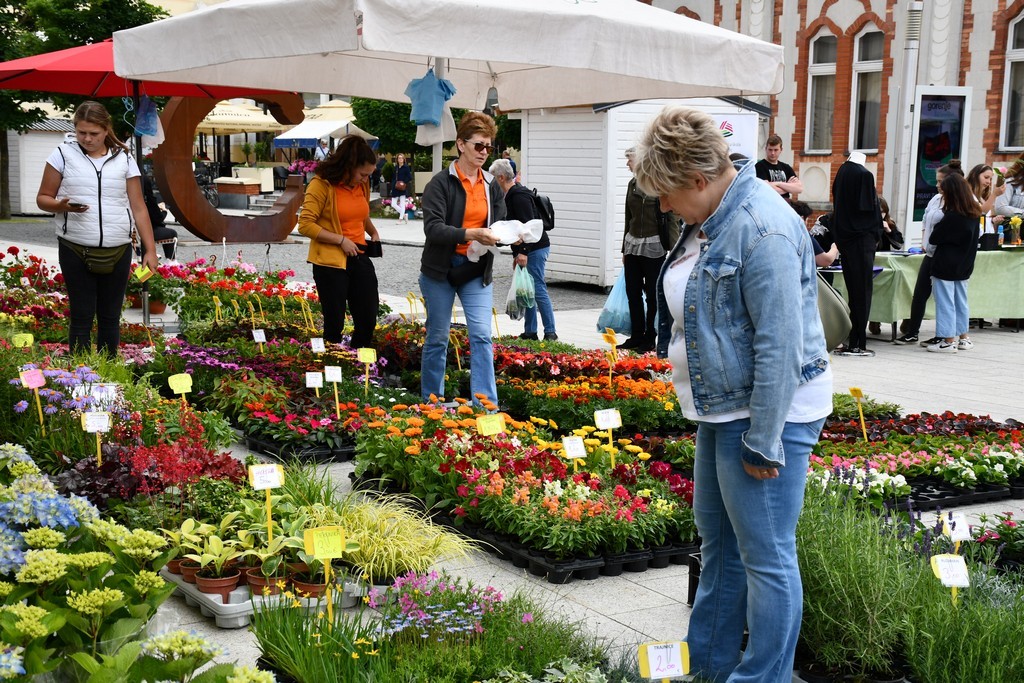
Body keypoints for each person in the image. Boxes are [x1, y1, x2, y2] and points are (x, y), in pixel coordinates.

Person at [637, 106, 831, 683]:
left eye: (667, 193)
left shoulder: (763, 226)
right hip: (724, 406)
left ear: (698, 178)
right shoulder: (713, 212)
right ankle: (709, 668)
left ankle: (763, 677)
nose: (664, 206)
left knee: (766, 556)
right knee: (719, 545)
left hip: (768, 413)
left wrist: (764, 440)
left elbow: (780, 345)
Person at [36, 101, 159, 356]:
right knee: (81, 316)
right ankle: (80, 372)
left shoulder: (124, 158)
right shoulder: (62, 154)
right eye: (81, 132)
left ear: (106, 129)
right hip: (75, 247)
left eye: (94, 133)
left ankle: (108, 369)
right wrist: (60, 205)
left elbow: (139, 207)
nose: (87, 139)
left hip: (118, 248)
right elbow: (43, 198)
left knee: (110, 317)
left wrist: (150, 250)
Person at [419, 112, 503, 405]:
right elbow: (433, 228)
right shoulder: (440, 183)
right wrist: (470, 233)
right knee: (438, 337)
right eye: (478, 145)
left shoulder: (491, 184)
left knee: (481, 335)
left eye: (488, 147)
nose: (484, 152)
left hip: (475, 269)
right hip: (439, 271)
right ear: (460, 144)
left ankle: (486, 406)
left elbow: (499, 223)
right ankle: (432, 404)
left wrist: (510, 234)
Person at [296, 135, 381, 348]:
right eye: (363, 174)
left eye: (369, 175)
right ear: (349, 166)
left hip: (359, 255)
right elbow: (305, 224)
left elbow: (360, 214)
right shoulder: (321, 184)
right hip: (329, 262)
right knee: (334, 322)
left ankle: (359, 361)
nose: (365, 179)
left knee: (368, 316)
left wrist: (372, 231)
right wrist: (341, 240)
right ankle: (332, 362)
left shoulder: (361, 185)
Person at [895, 161, 964, 345]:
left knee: (943, 297)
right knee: (920, 293)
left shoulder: (957, 203)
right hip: (930, 253)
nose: (937, 185)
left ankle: (944, 335)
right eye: (937, 181)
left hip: (944, 255)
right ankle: (912, 332)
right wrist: (924, 240)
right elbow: (926, 219)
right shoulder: (935, 199)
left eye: (941, 181)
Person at [488, 158, 557, 341]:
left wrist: (523, 251)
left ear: (501, 177)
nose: (492, 181)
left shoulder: (518, 196)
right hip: (529, 249)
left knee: (537, 288)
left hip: (535, 247)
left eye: (493, 177)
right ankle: (530, 331)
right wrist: (517, 253)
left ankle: (550, 332)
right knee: (527, 289)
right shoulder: (512, 194)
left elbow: (530, 226)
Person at [621, 146, 673, 353]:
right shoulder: (632, 184)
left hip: (654, 245)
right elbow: (628, 217)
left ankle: (650, 337)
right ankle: (636, 335)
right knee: (632, 291)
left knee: (652, 294)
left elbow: (671, 218)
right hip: (632, 245)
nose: (627, 163)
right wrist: (624, 249)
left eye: (630, 159)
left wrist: (673, 248)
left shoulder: (659, 184)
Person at [831, 151, 882, 357]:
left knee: (854, 291)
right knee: (862, 292)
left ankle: (853, 339)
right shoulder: (864, 174)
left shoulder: (842, 172)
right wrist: (876, 232)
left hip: (846, 240)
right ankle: (858, 342)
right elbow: (868, 211)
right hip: (861, 241)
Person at [928, 173, 982, 353]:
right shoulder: (974, 213)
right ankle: (964, 338)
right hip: (965, 264)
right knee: (961, 302)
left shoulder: (952, 216)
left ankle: (948, 340)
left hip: (945, 265)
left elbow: (935, 237)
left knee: (945, 303)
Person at [754, 134, 803, 199]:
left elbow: (799, 188)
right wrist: (788, 186)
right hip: (769, 202)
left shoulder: (786, 167)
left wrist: (778, 184)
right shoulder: (760, 166)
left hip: (785, 203)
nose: (772, 153)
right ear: (766, 149)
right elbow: (765, 188)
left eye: (776, 150)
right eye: (770, 150)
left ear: (781, 150)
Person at [142, 175, 179, 259]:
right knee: (172, 233)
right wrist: (164, 210)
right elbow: (158, 219)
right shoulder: (148, 200)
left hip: (131, 233)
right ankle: (171, 262)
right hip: (147, 232)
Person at [791, 201, 838, 267]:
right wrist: (834, 248)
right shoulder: (804, 237)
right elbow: (825, 261)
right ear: (802, 219)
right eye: (807, 219)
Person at [391, 153, 413, 223]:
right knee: (393, 204)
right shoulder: (396, 167)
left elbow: (409, 177)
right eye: (399, 158)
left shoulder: (406, 167)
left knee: (402, 204)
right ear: (397, 159)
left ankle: (400, 219)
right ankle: (404, 215)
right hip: (395, 187)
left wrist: (403, 182)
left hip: (402, 187)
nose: (400, 159)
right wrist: (393, 184)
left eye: (401, 158)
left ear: (404, 159)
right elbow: (393, 177)